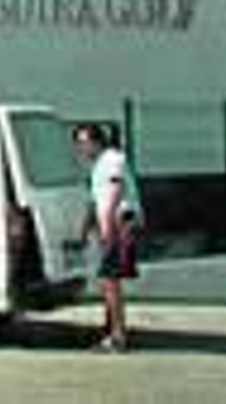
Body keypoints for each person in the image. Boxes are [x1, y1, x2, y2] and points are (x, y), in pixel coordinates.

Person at [74, 122, 143, 352]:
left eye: (84, 142)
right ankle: (112, 329)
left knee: (109, 279)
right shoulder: (97, 167)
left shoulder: (113, 159)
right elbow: (94, 202)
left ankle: (118, 336)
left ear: (97, 141)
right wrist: (84, 230)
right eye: (79, 143)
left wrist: (108, 225)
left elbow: (116, 190)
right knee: (108, 280)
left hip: (120, 223)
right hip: (111, 226)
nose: (81, 148)